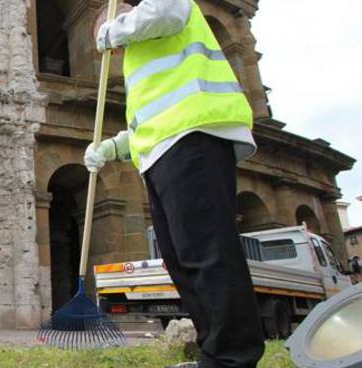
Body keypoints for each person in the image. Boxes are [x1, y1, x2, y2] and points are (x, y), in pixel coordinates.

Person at [88, 1, 265, 367]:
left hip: (193, 134)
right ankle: (213, 352)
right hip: (165, 150)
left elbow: (169, 9)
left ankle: (233, 357)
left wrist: (115, 27)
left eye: (100, 33)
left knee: (207, 250)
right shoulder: (140, 56)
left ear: (120, 14)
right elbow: (148, 122)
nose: (105, 46)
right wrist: (110, 148)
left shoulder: (158, 14)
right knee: (181, 259)